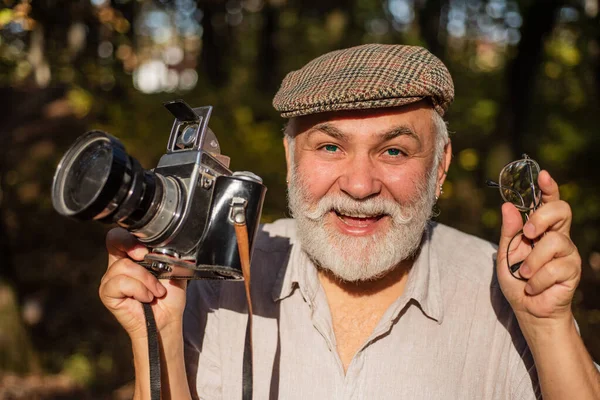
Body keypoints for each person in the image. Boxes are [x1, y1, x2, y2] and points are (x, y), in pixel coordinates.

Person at [99, 44, 600, 399]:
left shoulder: (505, 290)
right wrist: (158, 333)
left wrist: (547, 325)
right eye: (331, 147)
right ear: (291, 159)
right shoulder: (222, 279)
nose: (360, 185)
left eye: (395, 150)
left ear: (440, 167)